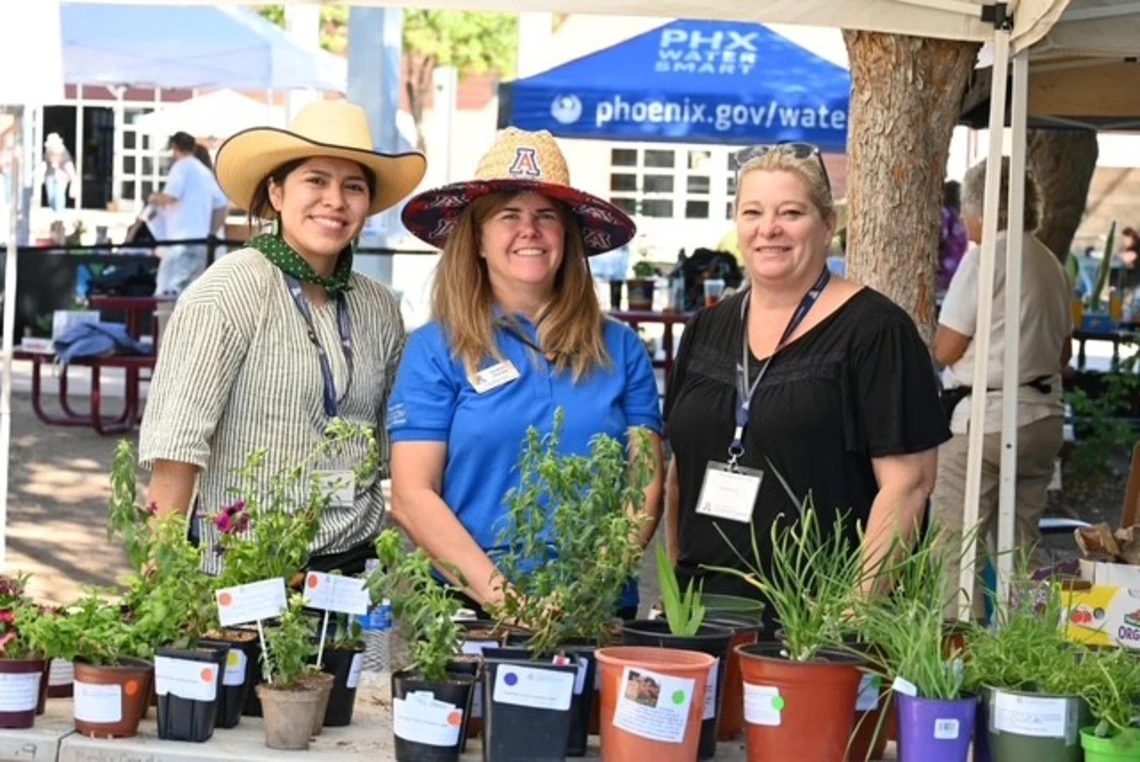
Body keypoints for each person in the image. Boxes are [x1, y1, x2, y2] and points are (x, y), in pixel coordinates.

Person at [664, 142, 949, 635]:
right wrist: (676, 593)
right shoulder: (706, 329)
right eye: (753, 212)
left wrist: (845, 619)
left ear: (828, 224)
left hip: (818, 622)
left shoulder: (876, 332)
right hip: (704, 614)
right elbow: (679, 473)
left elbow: (909, 485)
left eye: (790, 212)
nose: (768, 229)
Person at [139, 100, 427, 575]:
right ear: (276, 192)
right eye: (315, 180)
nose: (335, 200)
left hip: (355, 564)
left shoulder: (378, 307)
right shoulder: (226, 294)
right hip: (243, 567)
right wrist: (160, 587)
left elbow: (390, 444)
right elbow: (176, 455)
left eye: (353, 186)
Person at [389, 127, 664, 618]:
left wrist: (587, 591)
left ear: (568, 237)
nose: (528, 230)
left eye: (546, 216)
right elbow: (413, 495)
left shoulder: (621, 349)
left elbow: (644, 487)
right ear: (476, 238)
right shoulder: (434, 350)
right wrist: (507, 602)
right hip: (471, 611)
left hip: (597, 610)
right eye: (508, 215)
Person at [931, 157, 1071, 619]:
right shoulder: (1052, 263)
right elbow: (1065, 354)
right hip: (1044, 417)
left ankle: (955, 650)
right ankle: (1026, 640)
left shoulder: (984, 260)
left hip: (984, 420)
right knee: (1023, 547)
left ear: (980, 206)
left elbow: (947, 348)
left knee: (955, 544)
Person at [148, 131, 230, 296]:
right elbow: (222, 205)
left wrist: (154, 198)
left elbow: (172, 196)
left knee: (166, 293)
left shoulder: (181, 167)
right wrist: (211, 233)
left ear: (174, 147)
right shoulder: (204, 172)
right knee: (194, 297)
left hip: (180, 242)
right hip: (201, 242)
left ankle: (167, 323)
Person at [938, 179, 970, 292]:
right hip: (954, 277)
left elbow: (941, 237)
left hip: (939, 277)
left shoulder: (945, 215)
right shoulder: (962, 222)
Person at [39, 133, 77, 212]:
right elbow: (44, 164)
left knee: (59, 194)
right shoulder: (47, 152)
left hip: (62, 176)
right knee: (50, 196)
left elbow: (69, 166)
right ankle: (54, 210)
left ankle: (59, 211)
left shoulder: (64, 153)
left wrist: (73, 179)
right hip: (50, 175)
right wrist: (41, 176)